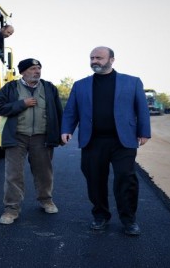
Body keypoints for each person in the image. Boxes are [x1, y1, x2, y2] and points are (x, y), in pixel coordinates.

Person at [61, 46, 151, 236]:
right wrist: (66, 129)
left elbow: (142, 109)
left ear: (111, 59)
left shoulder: (132, 82)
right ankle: (100, 215)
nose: (95, 61)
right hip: (93, 141)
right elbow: (71, 110)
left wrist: (144, 132)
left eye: (99, 58)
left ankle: (129, 220)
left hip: (122, 141)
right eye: (92, 58)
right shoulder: (80, 85)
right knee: (95, 180)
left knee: (126, 179)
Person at [0, 58, 64, 225]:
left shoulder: (49, 88)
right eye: (32, 69)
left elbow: (58, 111)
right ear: (23, 72)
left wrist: (61, 134)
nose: (37, 71)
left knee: (44, 172)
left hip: (42, 137)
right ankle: (11, 209)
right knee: (13, 174)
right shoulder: (10, 88)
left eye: (38, 68)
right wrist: (21, 104)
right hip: (16, 136)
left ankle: (46, 200)